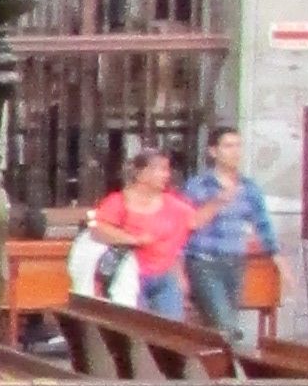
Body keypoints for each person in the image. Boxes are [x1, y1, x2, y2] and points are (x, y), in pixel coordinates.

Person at [183, 122, 279, 342]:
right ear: (213, 151)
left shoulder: (249, 186)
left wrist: (276, 256)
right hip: (204, 261)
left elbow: (262, 223)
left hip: (235, 262)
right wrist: (217, 201)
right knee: (225, 325)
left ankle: (216, 361)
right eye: (228, 146)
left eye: (238, 146)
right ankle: (233, 362)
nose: (235, 152)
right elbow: (187, 224)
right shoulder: (198, 185)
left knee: (221, 325)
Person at [91, 144, 196, 317]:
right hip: (130, 275)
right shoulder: (118, 201)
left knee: (172, 326)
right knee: (138, 325)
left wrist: (180, 274)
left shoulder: (174, 204)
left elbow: (189, 228)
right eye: (160, 169)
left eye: (167, 169)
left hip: (165, 276)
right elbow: (98, 230)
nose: (166, 175)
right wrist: (133, 239)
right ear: (141, 174)